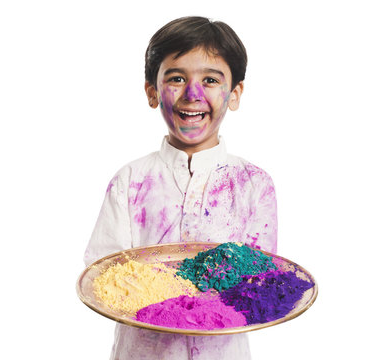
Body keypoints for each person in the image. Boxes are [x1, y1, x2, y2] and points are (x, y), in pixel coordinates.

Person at [83, 16, 277, 360]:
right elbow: (104, 275)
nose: (193, 93)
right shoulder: (130, 182)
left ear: (234, 94)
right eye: (176, 78)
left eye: (211, 79)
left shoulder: (254, 185)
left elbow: (259, 279)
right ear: (152, 92)